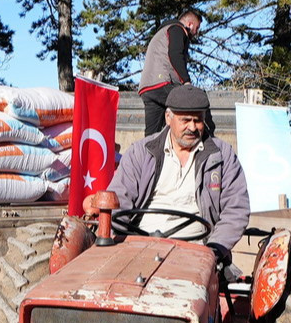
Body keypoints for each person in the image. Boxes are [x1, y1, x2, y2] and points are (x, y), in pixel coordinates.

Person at [102, 84, 250, 261]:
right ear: (168, 118)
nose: (192, 127)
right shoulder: (141, 152)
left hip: (196, 251)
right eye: (185, 120)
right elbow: (118, 201)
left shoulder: (222, 156)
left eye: (198, 120)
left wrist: (213, 252)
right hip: (139, 245)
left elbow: (236, 209)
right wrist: (117, 244)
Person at [138, 11, 203, 136]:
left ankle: (149, 149)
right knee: (195, 107)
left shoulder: (162, 33)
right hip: (163, 82)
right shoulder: (177, 29)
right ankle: (208, 144)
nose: (197, 32)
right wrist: (186, 81)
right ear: (190, 24)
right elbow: (175, 55)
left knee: (152, 135)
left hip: (147, 87)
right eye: (197, 27)